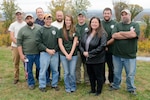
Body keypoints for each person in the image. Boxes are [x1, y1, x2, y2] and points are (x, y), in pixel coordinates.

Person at [109, 9, 140, 95]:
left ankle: (131, 88)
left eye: (126, 14)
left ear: (130, 15)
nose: (124, 16)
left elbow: (134, 35)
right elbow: (114, 35)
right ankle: (116, 85)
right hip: (117, 55)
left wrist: (121, 33)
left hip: (130, 55)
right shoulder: (117, 25)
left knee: (130, 74)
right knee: (116, 72)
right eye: (122, 14)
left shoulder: (135, 25)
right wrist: (128, 34)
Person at [79, 17, 107, 96]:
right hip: (87, 59)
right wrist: (83, 52)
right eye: (92, 22)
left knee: (98, 76)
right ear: (90, 24)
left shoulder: (102, 34)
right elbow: (81, 44)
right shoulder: (86, 33)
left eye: (96, 22)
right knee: (90, 75)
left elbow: (102, 46)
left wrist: (90, 53)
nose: (94, 24)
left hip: (98, 59)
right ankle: (92, 89)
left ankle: (99, 90)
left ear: (99, 24)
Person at [36, 14, 60, 92]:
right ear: (44, 20)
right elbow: (38, 43)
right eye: (47, 19)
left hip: (54, 53)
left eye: (50, 19)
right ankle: (42, 85)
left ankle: (54, 84)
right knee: (43, 70)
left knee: (55, 70)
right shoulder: (40, 30)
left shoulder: (55, 29)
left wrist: (54, 50)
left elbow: (59, 42)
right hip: (44, 53)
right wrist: (47, 50)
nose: (48, 20)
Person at [17, 14, 41, 90]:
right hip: (27, 54)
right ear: (25, 20)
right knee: (28, 70)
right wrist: (21, 55)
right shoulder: (22, 30)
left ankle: (43, 81)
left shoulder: (39, 28)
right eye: (27, 19)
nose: (29, 20)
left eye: (31, 18)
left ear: (33, 19)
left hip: (38, 53)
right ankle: (31, 83)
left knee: (41, 68)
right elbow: (19, 43)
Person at [58, 14, 78, 93]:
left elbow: (74, 43)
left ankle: (73, 86)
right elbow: (60, 44)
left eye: (69, 20)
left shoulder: (75, 30)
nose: (68, 21)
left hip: (73, 54)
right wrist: (66, 54)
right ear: (64, 21)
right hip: (63, 55)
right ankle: (67, 86)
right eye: (66, 20)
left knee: (72, 72)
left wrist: (70, 54)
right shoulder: (60, 31)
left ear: (72, 21)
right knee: (66, 72)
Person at [8, 10, 26, 84]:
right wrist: (18, 44)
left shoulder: (25, 24)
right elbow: (12, 37)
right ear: (16, 16)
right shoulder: (13, 25)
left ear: (22, 15)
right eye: (17, 14)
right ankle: (16, 78)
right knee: (16, 63)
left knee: (26, 62)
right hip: (15, 46)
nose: (19, 16)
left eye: (20, 14)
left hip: (25, 46)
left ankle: (27, 77)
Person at [102, 7, 116, 85]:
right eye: (105, 13)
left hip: (112, 49)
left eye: (108, 13)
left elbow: (114, 37)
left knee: (111, 67)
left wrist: (106, 44)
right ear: (103, 14)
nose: (106, 15)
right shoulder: (100, 23)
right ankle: (102, 81)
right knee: (101, 67)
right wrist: (103, 46)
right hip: (101, 50)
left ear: (111, 14)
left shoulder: (115, 24)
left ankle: (112, 81)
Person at [75, 11, 89, 85]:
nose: (81, 18)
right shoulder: (74, 27)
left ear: (85, 18)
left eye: (82, 16)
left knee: (86, 66)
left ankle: (87, 80)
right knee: (77, 66)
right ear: (77, 18)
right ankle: (77, 80)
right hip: (77, 50)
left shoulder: (88, 27)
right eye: (79, 16)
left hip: (85, 50)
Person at [51, 10, 64, 81]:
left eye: (60, 15)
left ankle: (66, 77)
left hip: (65, 47)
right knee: (57, 64)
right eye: (58, 15)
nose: (59, 17)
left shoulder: (66, 23)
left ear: (63, 16)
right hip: (56, 47)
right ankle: (57, 77)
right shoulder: (53, 24)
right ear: (56, 16)